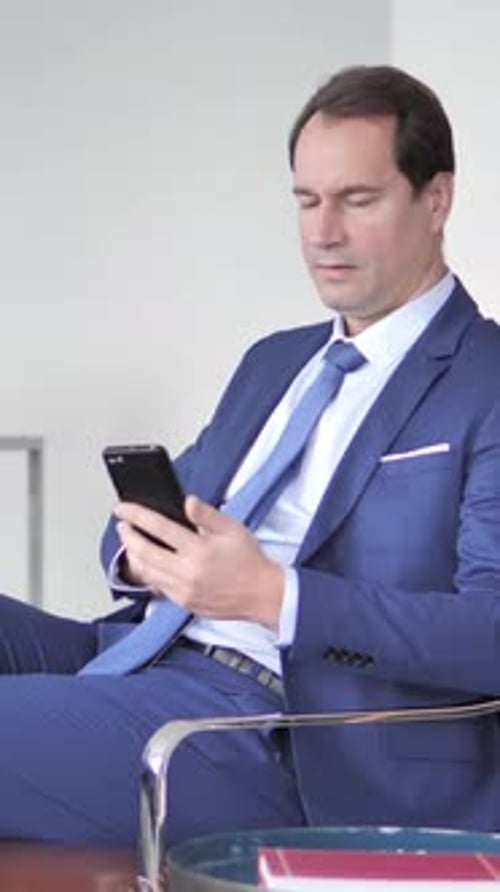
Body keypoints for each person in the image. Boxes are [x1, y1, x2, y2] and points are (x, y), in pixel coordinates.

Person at [0, 63, 499, 850]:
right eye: (307, 200)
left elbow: (490, 632)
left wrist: (274, 597)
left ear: (436, 198)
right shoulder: (275, 362)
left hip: (289, 731)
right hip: (145, 651)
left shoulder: (486, 379)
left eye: (357, 200)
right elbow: (164, 521)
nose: (323, 233)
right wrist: (148, 556)